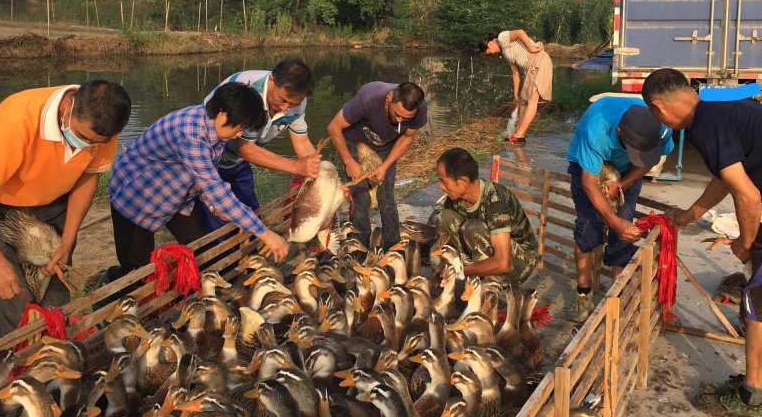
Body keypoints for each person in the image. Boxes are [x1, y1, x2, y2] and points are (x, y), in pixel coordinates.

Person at [0, 80, 132, 342]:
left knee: (56, 291)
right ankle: (10, 359)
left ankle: (52, 354)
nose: (87, 145)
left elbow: (89, 175)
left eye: (97, 142)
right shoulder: (18, 122)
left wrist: (68, 240)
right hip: (0, 204)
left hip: (56, 200)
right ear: (67, 106)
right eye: (83, 137)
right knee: (11, 296)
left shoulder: (105, 123)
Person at [643, 68, 762, 414]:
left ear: (659, 109)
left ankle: (752, 395)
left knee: (755, 302)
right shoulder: (716, 112)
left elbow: (750, 198)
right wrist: (691, 214)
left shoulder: (706, 126)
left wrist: (744, 241)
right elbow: (728, 177)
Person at [108, 82, 289, 275]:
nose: (238, 135)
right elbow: (215, 189)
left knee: (203, 250)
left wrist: (217, 208)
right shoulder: (191, 135)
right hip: (135, 194)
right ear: (222, 114)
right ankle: (111, 279)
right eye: (238, 129)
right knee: (139, 271)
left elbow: (206, 181)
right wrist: (265, 233)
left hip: (175, 194)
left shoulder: (214, 129)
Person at [566, 96, 674, 324]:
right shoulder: (597, 127)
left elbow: (647, 161)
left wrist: (622, 185)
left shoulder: (661, 127)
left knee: (625, 229)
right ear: (618, 132)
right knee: (589, 226)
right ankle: (583, 294)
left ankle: (617, 296)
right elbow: (588, 182)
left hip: (627, 171)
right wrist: (611, 219)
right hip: (589, 166)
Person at [199, 58, 321, 228]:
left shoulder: (297, 103)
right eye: (283, 100)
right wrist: (296, 167)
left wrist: (321, 175)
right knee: (219, 223)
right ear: (272, 81)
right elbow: (247, 150)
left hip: (237, 161)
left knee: (252, 216)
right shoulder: (248, 92)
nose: (286, 108)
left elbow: (302, 144)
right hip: (208, 160)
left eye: (294, 104)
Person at [328, 81, 428, 250]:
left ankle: (393, 247)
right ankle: (360, 246)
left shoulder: (419, 109)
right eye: (397, 114)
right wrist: (349, 161)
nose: (399, 121)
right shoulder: (368, 100)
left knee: (386, 196)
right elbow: (333, 127)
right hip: (356, 140)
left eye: (406, 118)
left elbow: (407, 138)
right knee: (359, 197)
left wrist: (385, 165)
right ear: (390, 98)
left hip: (387, 146)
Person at [435, 147, 537, 284]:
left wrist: (460, 271)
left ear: (463, 181)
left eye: (444, 181)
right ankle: (469, 275)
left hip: (519, 263)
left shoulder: (496, 202)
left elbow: (502, 263)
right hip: (480, 251)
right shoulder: (454, 198)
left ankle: (492, 286)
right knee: (444, 217)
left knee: (472, 228)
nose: (441, 186)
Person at [478, 29, 553, 143]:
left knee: (533, 99)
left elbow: (520, 33)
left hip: (538, 60)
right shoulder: (506, 52)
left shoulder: (502, 38)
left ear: (489, 44)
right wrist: (516, 93)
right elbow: (515, 73)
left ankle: (520, 134)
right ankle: (519, 132)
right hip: (530, 68)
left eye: (489, 52)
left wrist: (531, 48)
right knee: (523, 101)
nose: (493, 54)